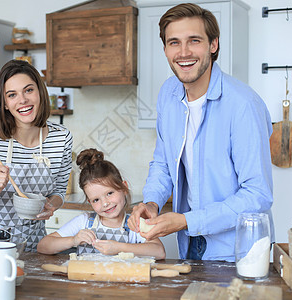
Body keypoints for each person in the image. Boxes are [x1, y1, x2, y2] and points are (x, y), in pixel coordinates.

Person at [127, 3, 274, 262]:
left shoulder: (243, 105)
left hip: (238, 250)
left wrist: (186, 220)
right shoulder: (168, 94)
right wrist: (151, 203)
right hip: (190, 242)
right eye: (174, 42)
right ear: (165, 49)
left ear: (213, 45)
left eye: (194, 41)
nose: (183, 52)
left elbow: (257, 195)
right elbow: (163, 163)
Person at [0, 59, 73, 252]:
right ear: (5, 103)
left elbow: (59, 192)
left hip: (34, 242)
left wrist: (51, 205)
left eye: (29, 90)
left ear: (40, 92)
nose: (22, 100)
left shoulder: (61, 138)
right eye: (12, 95)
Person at [37, 148, 166, 259]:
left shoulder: (133, 225)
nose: (105, 203)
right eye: (96, 200)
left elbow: (159, 251)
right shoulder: (84, 222)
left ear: (124, 188)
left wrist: (119, 247)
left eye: (110, 193)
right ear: (89, 202)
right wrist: (73, 240)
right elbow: (43, 246)